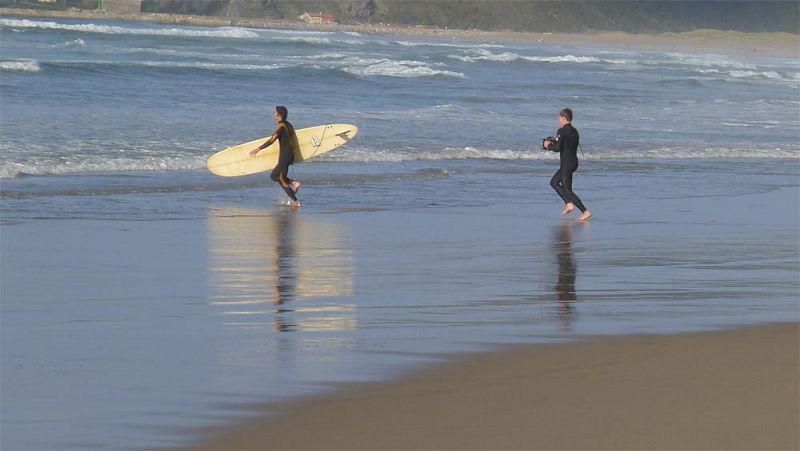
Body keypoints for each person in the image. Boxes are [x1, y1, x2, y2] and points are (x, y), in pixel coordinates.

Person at [543, 108, 592, 221]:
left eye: (559, 118)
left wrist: (548, 146)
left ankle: (585, 211)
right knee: (554, 182)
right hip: (573, 162)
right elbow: (566, 144)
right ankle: (569, 204)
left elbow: (558, 148)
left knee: (566, 189)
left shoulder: (562, 130)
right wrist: (554, 142)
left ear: (564, 118)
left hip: (566, 164)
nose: (558, 120)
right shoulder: (575, 131)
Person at [250, 106, 302, 207]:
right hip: (289, 154)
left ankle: (295, 201)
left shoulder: (281, 126)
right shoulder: (289, 125)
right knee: (274, 176)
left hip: (285, 156)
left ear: (279, 114)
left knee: (281, 178)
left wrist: (258, 149)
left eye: (275, 112)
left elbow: (272, 140)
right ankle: (293, 183)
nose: (274, 114)